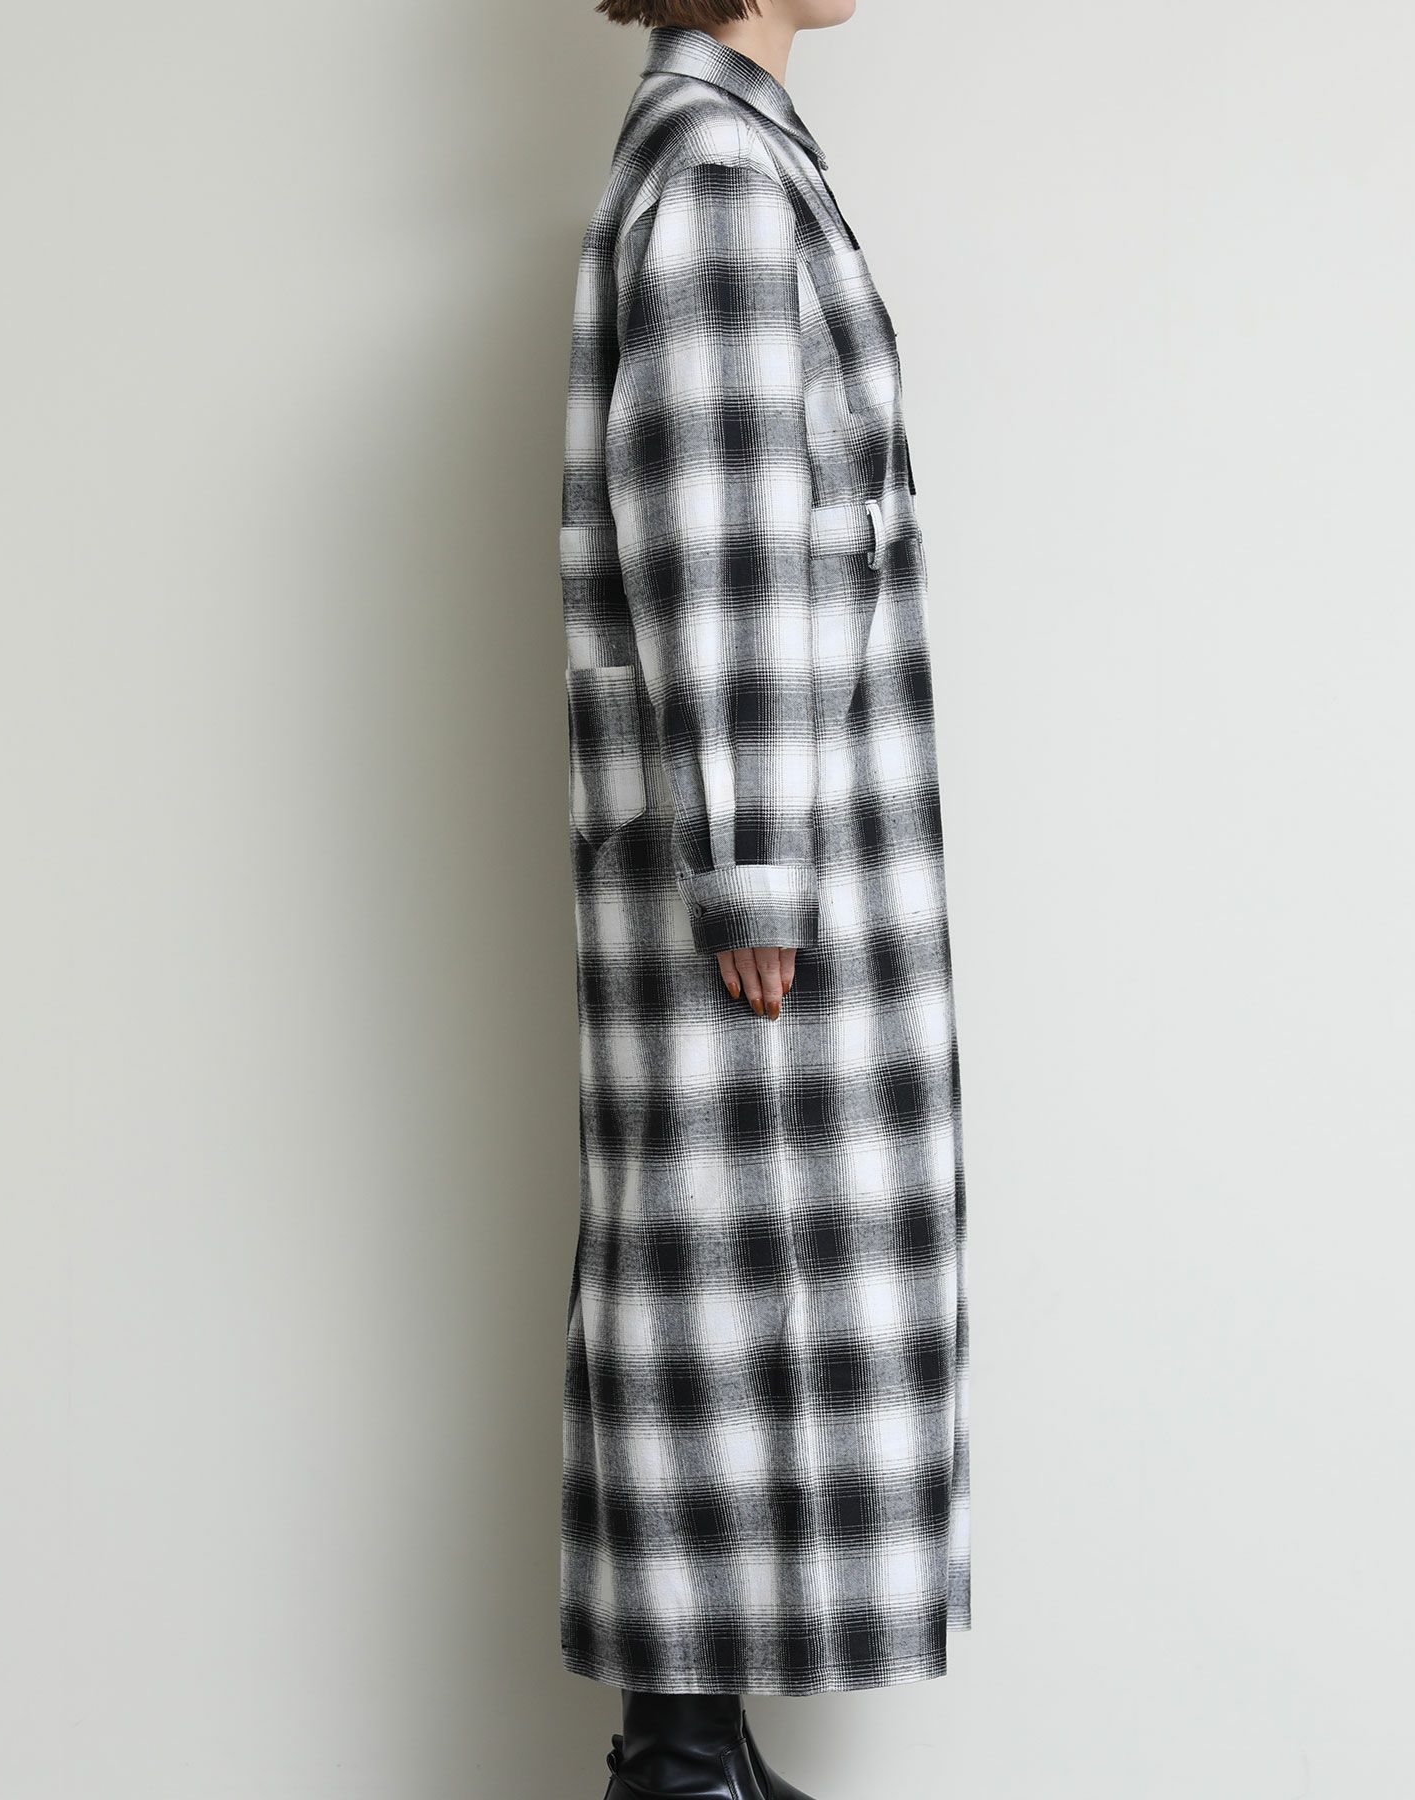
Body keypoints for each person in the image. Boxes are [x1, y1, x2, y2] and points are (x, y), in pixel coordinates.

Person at [557, 4, 969, 1793]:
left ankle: (695, 1747)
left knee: (719, 1287)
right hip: (765, 869)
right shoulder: (721, 176)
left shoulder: (721, 156)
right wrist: (749, 867)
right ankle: (677, 1765)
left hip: (774, 848)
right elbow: (718, 535)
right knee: (729, 1289)